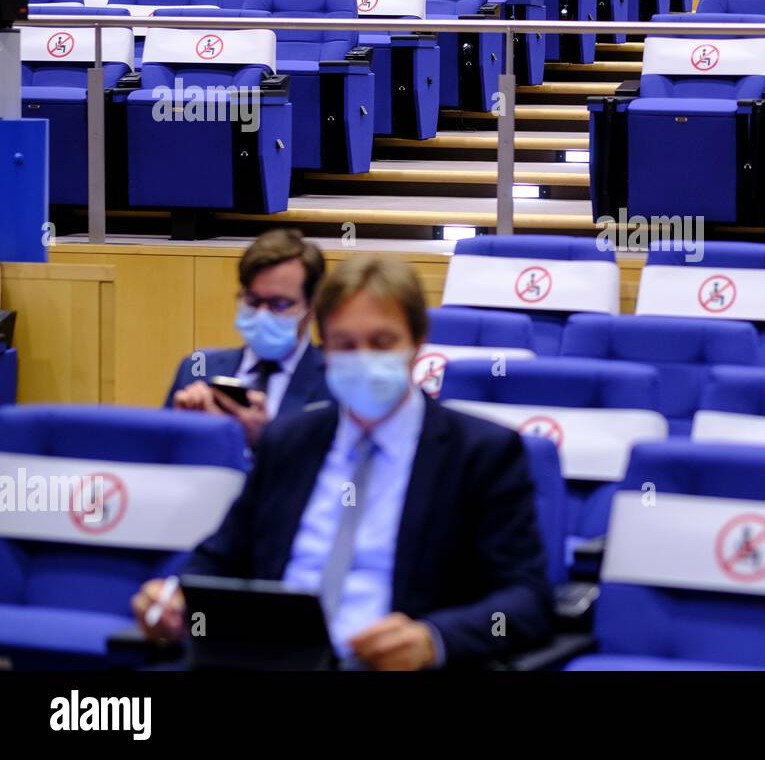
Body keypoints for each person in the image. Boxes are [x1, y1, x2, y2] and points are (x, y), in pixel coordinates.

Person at [133, 255, 553, 670]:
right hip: (270, 658)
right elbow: (222, 556)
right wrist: (173, 595)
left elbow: (526, 600)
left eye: (382, 342)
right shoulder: (290, 440)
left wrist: (435, 639)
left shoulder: (480, 453)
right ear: (324, 346)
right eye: (345, 344)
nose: (363, 358)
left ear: (417, 343)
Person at [166, 229, 331, 447]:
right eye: (252, 301)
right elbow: (161, 462)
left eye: (279, 304)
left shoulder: (336, 381)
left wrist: (266, 439)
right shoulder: (195, 369)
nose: (262, 314)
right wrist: (186, 431)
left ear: (311, 307)